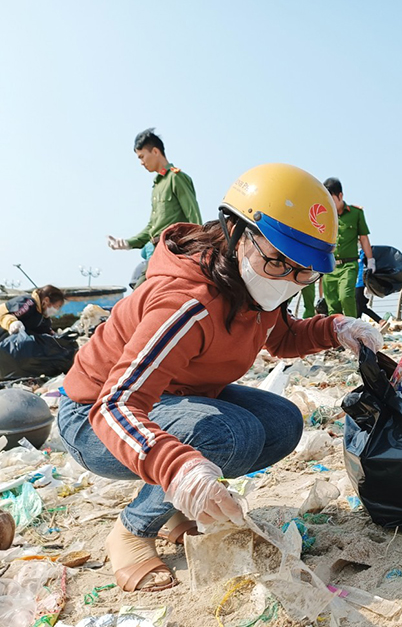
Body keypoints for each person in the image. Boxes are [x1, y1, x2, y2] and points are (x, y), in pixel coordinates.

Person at [58, 164, 383, 592]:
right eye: (277, 262)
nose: (288, 281)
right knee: (229, 433)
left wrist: (335, 328)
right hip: (93, 418)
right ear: (235, 230)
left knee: (283, 423)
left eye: (303, 272)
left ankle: (174, 511)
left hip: (173, 396)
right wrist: (178, 469)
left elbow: (280, 337)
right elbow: (115, 405)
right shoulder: (186, 303)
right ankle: (132, 531)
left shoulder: (255, 284)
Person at [108, 129, 203, 288]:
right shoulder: (157, 186)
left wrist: (199, 250)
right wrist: (127, 243)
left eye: (142, 156)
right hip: (152, 250)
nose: (141, 162)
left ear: (155, 151)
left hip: (169, 250)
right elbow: (152, 227)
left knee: (143, 290)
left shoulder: (176, 178)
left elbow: (194, 216)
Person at [322, 178, 374, 317]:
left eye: (331, 198)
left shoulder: (356, 213)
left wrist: (370, 261)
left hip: (349, 265)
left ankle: (353, 330)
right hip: (330, 266)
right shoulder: (323, 216)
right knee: (332, 306)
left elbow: (363, 238)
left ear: (340, 196)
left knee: (346, 296)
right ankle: (336, 336)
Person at [0, 285, 65, 339]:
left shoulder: (42, 318)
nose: (56, 310)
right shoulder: (28, 304)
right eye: (57, 306)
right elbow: (5, 316)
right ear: (46, 300)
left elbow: (46, 330)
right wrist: (12, 323)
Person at [355, 251, 384, 324]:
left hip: (361, 283)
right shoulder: (357, 253)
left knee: (359, 305)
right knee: (361, 306)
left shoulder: (364, 253)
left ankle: (356, 324)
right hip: (357, 283)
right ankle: (380, 321)